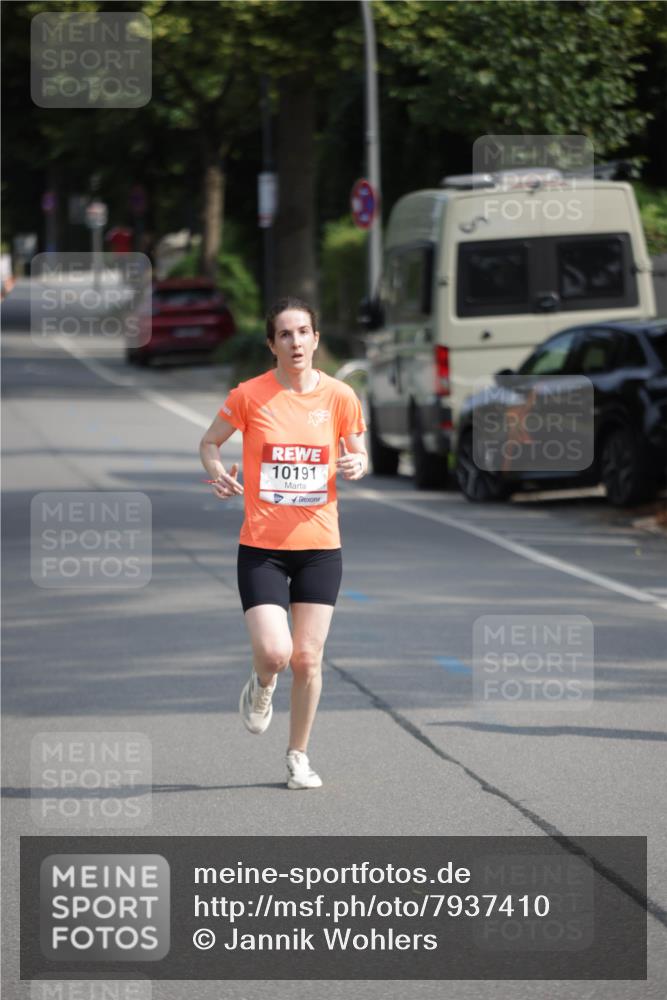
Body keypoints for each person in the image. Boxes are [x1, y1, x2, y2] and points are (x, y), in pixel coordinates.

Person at [199, 297, 367, 789]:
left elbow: (358, 452)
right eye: (285, 334)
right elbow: (210, 443)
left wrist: (358, 463)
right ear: (272, 344)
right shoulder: (250, 395)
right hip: (263, 548)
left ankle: (298, 756)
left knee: (308, 658)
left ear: (316, 339)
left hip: (320, 547)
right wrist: (218, 473)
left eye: (303, 332)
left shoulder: (340, 396)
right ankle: (263, 683)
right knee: (276, 653)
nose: (295, 342)